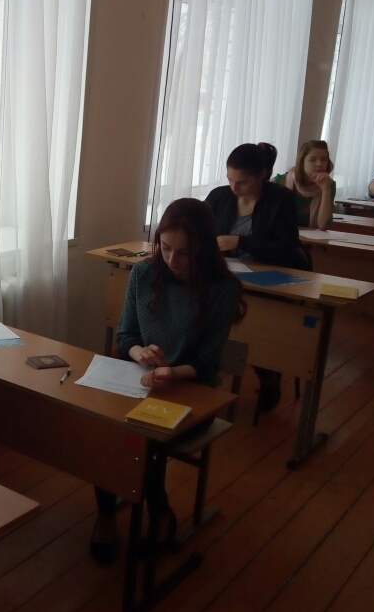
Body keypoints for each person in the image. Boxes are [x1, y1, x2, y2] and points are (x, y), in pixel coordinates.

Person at [90, 198, 246, 563]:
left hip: (191, 389)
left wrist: (172, 372)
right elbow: (126, 335)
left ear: (204, 248)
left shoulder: (222, 289)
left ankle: (159, 511)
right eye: (165, 247)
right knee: (102, 426)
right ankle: (106, 512)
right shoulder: (144, 273)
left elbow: (207, 362)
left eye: (185, 252)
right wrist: (139, 353)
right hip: (138, 378)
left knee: (144, 439)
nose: (173, 260)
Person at [205, 142, 306, 411]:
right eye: (230, 179)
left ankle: (268, 373)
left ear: (262, 175)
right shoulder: (219, 197)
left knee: (257, 325)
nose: (234, 187)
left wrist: (241, 241)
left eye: (242, 182)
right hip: (226, 277)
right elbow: (199, 230)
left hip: (267, 280)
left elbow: (286, 247)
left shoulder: (280, 199)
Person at [274, 140, 337, 230]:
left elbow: (324, 226)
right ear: (302, 162)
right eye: (312, 160)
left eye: (323, 160)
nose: (319, 164)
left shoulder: (329, 185)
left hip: (311, 238)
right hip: (282, 235)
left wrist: (325, 189)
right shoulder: (280, 182)